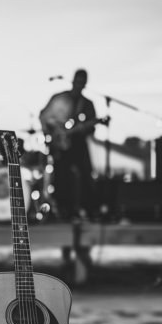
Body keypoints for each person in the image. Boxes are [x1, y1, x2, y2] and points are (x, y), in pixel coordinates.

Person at [39, 69, 97, 219]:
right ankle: (64, 208)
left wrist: (85, 128)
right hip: (61, 147)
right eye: (77, 81)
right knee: (61, 177)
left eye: (82, 82)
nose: (79, 85)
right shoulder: (60, 98)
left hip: (78, 144)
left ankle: (87, 209)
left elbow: (91, 129)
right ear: (73, 80)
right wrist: (50, 135)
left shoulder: (87, 104)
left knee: (85, 174)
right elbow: (44, 116)